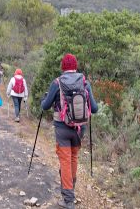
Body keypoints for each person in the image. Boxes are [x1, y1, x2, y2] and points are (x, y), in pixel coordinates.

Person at [40, 53, 98, 209]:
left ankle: (68, 200)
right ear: (75, 66)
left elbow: (45, 106)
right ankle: (70, 188)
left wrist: (43, 100)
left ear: (63, 67)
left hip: (62, 128)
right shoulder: (85, 83)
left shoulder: (57, 83)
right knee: (73, 158)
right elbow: (95, 108)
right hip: (80, 128)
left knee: (65, 161)